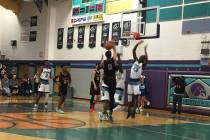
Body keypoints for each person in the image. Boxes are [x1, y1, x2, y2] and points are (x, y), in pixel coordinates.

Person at [127, 40, 148, 119]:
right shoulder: (140, 63)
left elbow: (133, 50)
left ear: (140, 58)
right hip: (134, 81)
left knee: (132, 97)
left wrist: (138, 44)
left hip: (133, 81)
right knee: (134, 97)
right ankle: (131, 111)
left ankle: (132, 111)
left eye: (141, 57)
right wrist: (145, 50)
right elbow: (134, 51)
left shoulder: (139, 62)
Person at [99, 41, 117, 122]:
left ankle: (106, 114)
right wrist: (113, 46)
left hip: (106, 81)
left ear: (106, 56)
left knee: (108, 100)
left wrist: (102, 58)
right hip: (112, 81)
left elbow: (99, 66)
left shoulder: (104, 62)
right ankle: (107, 114)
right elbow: (115, 53)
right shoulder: (113, 60)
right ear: (110, 55)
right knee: (110, 99)